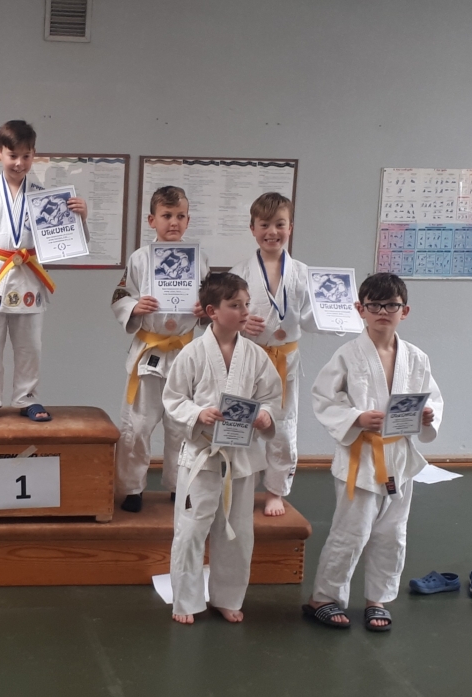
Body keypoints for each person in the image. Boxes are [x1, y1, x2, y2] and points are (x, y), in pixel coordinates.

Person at [303, 273, 443, 631]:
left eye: (391, 305)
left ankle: (377, 599)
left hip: (399, 457)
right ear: (359, 309)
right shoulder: (347, 354)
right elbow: (323, 397)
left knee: (392, 533)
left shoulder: (416, 358)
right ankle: (323, 597)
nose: (383, 312)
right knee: (351, 532)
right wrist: (356, 418)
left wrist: (428, 415)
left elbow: (432, 399)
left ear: (404, 311)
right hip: (361, 457)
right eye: (374, 305)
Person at [162, 272, 282, 624]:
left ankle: (227, 597)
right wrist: (198, 413)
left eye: (246, 304)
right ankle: (185, 601)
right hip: (201, 457)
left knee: (237, 532)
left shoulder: (256, 355)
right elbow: (173, 398)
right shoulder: (192, 352)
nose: (244, 312)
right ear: (212, 311)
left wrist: (265, 416)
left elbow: (271, 397)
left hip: (240, 458)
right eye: (235, 305)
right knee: (190, 531)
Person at [0, 120, 87, 424]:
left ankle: (28, 398)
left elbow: (62, 242)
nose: (19, 163)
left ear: (34, 155)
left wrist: (79, 218)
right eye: (13, 156)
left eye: (26, 156)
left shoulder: (43, 198)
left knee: (30, 347)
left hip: (28, 279)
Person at [111, 186, 210, 512]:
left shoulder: (199, 260)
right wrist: (135, 306)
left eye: (180, 216)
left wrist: (204, 310)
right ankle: (132, 488)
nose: (174, 222)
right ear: (152, 220)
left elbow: (212, 304)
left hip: (185, 352)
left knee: (182, 425)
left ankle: (180, 486)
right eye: (167, 215)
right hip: (149, 352)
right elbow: (120, 296)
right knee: (137, 425)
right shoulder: (140, 259)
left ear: (188, 220)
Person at [229, 192, 320, 516]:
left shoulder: (303, 273)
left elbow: (311, 319)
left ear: (290, 227)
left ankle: (275, 491)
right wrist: (240, 322)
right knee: (244, 420)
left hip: (285, 360)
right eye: (264, 224)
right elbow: (225, 316)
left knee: (283, 426)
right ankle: (240, 485)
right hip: (249, 358)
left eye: (279, 224)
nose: (272, 232)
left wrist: (338, 313)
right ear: (252, 228)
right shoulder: (238, 273)